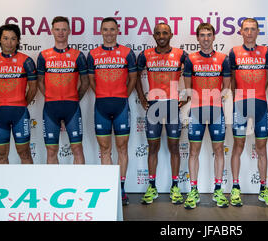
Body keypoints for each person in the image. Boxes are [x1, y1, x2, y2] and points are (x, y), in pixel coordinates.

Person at [136, 23, 188, 205]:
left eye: (165, 32)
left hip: (173, 105)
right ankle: (152, 186)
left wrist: (187, 95)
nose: (161, 35)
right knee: (153, 148)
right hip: (154, 106)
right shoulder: (145, 55)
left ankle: (175, 186)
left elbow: (192, 73)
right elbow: (135, 76)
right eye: (158, 33)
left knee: (174, 147)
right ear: (153, 35)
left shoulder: (181, 54)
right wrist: (142, 98)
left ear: (171, 34)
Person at [87, 17, 137, 205]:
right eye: (105, 29)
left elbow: (132, 79)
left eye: (112, 29)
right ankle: (109, 188)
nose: (109, 33)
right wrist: (102, 94)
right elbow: (91, 81)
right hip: (101, 105)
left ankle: (121, 188)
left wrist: (123, 95)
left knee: (122, 148)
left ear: (118, 31)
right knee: (104, 149)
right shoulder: (93, 54)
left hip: (121, 105)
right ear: (101, 31)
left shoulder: (127, 53)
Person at [228, 18, 268, 207]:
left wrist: (257, 95)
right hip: (240, 103)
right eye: (246, 29)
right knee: (238, 146)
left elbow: (265, 80)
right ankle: (235, 187)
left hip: (260, 104)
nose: (249, 32)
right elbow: (232, 80)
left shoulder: (265, 52)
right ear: (241, 31)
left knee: (261, 147)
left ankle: (263, 188)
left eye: (253, 29)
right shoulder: (234, 52)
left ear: (257, 32)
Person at [183, 23, 231, 209]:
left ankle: (218, 190)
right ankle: (193, 190)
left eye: (208, 34)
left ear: (213, 37)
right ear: (197, 38)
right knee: (193, 151)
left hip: (216, 110)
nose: (205, 38)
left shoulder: (223, 59)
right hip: (196, 110)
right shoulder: (190, 59)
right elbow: (188, 88)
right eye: (202, 35)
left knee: (219, 150)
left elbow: (226, 86)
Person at [37, 16, 89, 164]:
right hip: (50, 107)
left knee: (77, 148)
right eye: (57, 29)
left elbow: (85, 82)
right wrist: (48, 96)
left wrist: (75, 98)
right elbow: (39, 81)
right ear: (52, 31)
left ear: (69, 31)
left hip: (71, 107)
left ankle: (79, 186)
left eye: (64, 29)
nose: (61, 33)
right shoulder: (43, 56)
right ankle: (54, 185)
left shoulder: (78, 56)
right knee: (51, 150)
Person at [0, 24, 37, 164]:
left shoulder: (27, 61)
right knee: (0, 156)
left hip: (20, 112)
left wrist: (21, 103)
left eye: (13, 39)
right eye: (5, 38)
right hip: (0, 113)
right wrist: (3, 101)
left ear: (18, 41)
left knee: (24, 153)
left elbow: (33, 88)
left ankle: (29, 185)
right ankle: (2, 185)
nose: (9, 42)